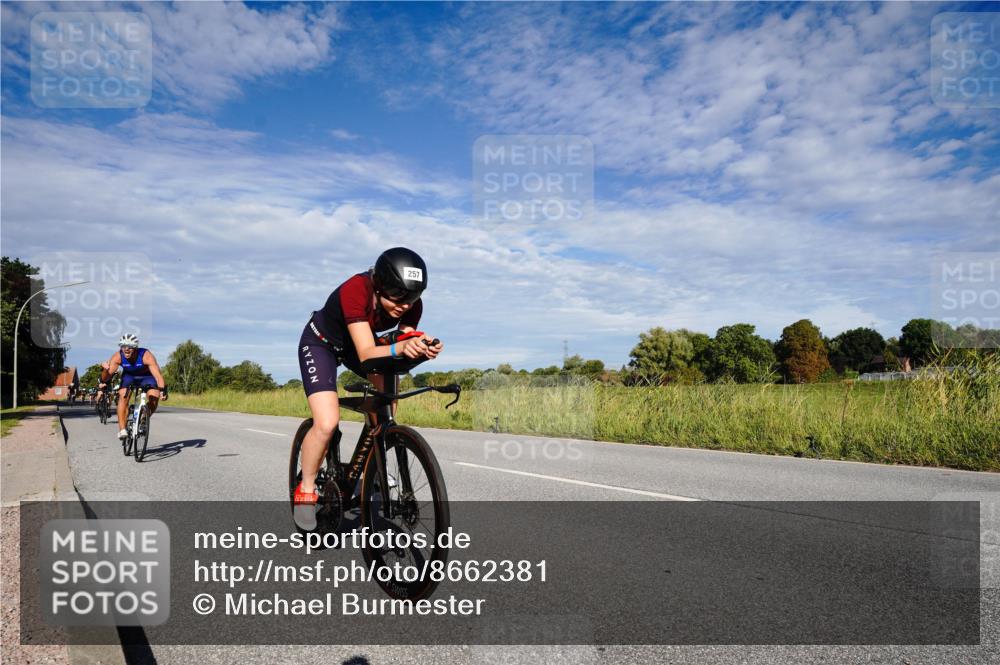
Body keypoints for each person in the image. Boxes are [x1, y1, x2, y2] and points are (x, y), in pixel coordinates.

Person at [293, 247, 442, 529]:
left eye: (412, 297)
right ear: (379, 284)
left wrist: (421, 345)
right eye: (397, 296)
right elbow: (365, 352)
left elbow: (404, 335)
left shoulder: (411, 304)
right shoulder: (355, 290)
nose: (405, 305)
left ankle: (373, 466)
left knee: (387, 409)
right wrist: (400, 345)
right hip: (321, 344)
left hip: (358, 346)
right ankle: (307, 489)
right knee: (326, 423)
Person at [102, 334, 168, 441]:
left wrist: (162, 390)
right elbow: (105, 379)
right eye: (123, 346)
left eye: (130, 346)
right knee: (123, 395)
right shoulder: (118, 356)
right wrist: (105, 369)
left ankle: (143, 417)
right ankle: (122, 429)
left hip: (147, 376)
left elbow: (157, 376)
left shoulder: (146, 355)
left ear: (136, 347)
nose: (126, 349)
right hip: (129, 377)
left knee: (154, 397)